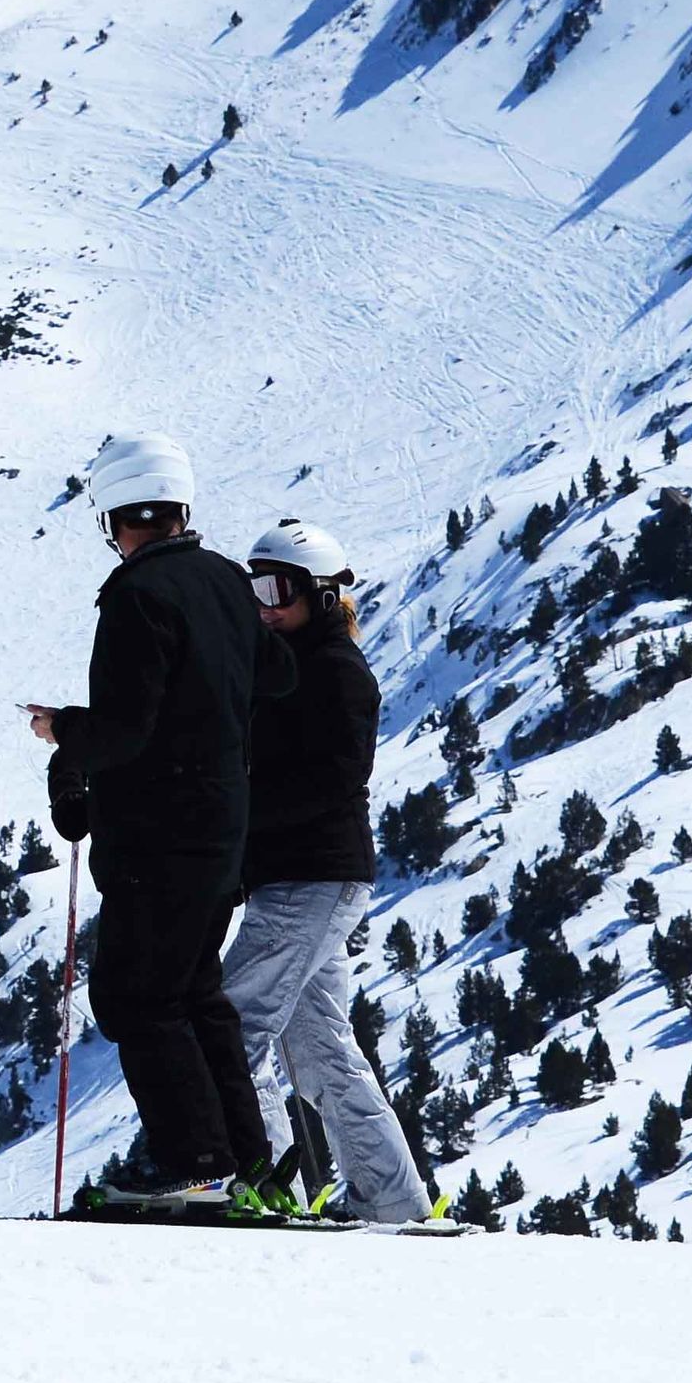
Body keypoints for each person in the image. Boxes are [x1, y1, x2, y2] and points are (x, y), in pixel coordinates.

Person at [29, 432, 293, 1205]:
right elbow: (278, 675)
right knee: (196, 995)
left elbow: (124, 731)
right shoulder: (226, 580)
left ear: (115, 516)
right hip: (223, 832)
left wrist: (63, 731)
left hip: (156, 836)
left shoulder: (137, 595)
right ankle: (248, 1165)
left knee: (137, 997)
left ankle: (196, 1168)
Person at [221, 520, 431, 1223]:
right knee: (320, 1051)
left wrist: (240, 813)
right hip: (297, 878)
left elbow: (334, 780)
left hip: (310, 877)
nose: (265, 605)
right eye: (253, 589)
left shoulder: (335, 671)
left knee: (233, 1028)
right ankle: (393, 1201)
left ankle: (259, 1185)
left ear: (318, 593)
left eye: (277, 589)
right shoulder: (282, 666)